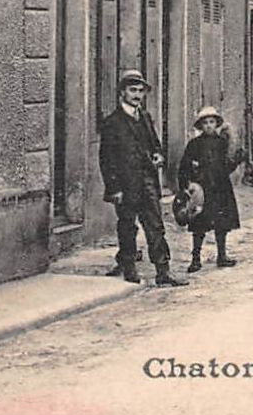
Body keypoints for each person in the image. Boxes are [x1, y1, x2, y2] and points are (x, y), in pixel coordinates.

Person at [99, 69, 187, 287]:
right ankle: (129, 267)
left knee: (155, 226)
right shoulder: (112, 122)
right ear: (122, 93)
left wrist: (158, 155)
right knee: (127, 226)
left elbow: (155, 144)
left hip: (147, 182)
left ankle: (163, 271)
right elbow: (106, 159)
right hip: (125, 185)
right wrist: (114, 188)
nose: (137, 95)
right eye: (132, 90)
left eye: (140, 91)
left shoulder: (145, 117)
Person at [177, 105, 242, 272]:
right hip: (202, 188)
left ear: (216, 124)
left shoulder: (222, 143)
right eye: (205, 123)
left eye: (212, 122)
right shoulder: (194, 145)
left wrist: (236, 159)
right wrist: (186, 186)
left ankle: (222, 255)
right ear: (200, 126)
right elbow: (184, 167)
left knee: (222, 224)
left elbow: (227, 165)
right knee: (199, 225)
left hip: (220, 187)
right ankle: (195, 259)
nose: (208, 126)